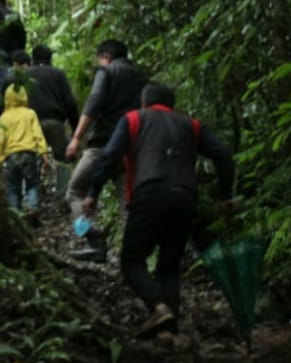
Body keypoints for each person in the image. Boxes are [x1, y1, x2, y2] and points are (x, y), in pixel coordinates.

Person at [83, 82, 236, 337]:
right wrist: (225, 197)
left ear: (143, 103)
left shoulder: (133, 118)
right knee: (169, 266)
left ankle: (158, 307)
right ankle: (168, 330)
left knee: (131, 260)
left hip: (150, 193)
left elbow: (109, 156)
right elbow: (222, 154)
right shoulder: (191, 124)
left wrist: (92, 193)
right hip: (186, 197)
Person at [64, 40, 148, 261]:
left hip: (102, 146)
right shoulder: (142, 78)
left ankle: (93, 238)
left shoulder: (107, 71)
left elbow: (94, 103)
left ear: (106, 57)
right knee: (126, 206)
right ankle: (133, 259)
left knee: (74, 192)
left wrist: (76, 138)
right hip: (129, 150)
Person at [0, 83, 52, 218]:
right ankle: (32, 208)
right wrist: (44, 153)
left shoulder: (4, 117)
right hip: (29, 154)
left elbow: (0, 141)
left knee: (12, 186)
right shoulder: (30, 113)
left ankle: (15, 213)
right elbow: (38, 134)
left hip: (11, 156)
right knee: (32, 183)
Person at [25, 45, 78, 162]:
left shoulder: (25, 75)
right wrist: (76, 129)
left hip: (30, 123)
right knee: (61, 160)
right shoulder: (58, 74)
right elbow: (70, 103)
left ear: (33, 59)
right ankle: (63, 179)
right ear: (50, 59)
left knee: (31, 159)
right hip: (54, 122)